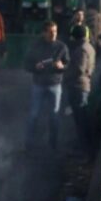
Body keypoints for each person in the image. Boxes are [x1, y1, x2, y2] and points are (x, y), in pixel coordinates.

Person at [23, 21, 70, 150]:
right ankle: (29, 143)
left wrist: (62, 66)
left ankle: (53, 144)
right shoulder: (36, 46)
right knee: (34, 114)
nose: (53, 34)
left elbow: (68, 64)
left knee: (54, 115)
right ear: (44, 33)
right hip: (38, 84)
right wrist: (35, 67)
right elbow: (26, 64)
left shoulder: (61, 47)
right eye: (50, 32)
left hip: (55, 85)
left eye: (55, 31)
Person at [65, 24, 95, 156]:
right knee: (82, 117)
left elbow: (79, 69)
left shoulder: (81, 49)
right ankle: (85, 146)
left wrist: (65, 72)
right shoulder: (89, 47)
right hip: (84, 85)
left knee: (80, 119)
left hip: (79, 86)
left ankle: (84, 148)